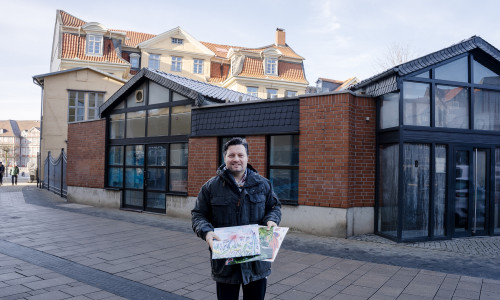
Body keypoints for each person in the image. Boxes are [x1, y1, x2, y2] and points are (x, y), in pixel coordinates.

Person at [192, 137, 281, 300]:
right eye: (231, 155)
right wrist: (206, 232)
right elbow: (198, 214)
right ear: (225, 157)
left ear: (247, 157)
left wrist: (272, 220)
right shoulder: (210, 187)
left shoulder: (263, 184)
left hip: (257, 261)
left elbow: (274, 207)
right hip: (226, 263)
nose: (236, 159)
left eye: (240, 155)